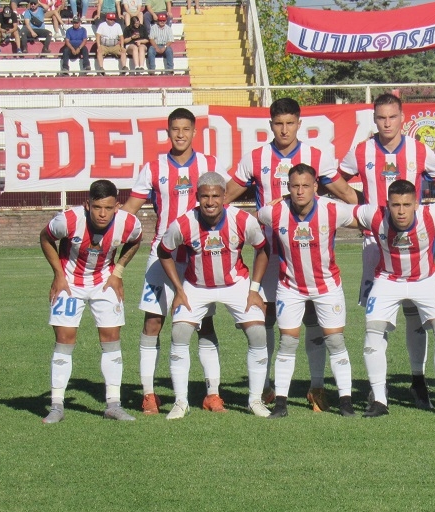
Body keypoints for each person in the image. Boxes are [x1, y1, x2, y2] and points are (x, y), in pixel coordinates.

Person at [225, 97, 358, 411]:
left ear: (299, 124)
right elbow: (224, 197)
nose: (284, 129)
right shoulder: (254, 158)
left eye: (290, 123)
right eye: (278, 123)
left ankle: (316, 387)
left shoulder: (316, 156)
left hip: (309, 253)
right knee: (267, 319)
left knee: (314, 319)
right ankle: (269, 385)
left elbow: (346, 194)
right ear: (270, 125)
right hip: (269, 254)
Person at [122, 108, 230, 416]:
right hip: (162, 253)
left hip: (198, 254)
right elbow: (131, 207)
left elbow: (226, 199)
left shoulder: (210, 165)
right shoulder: (154, 168)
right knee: (153, 321)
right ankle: (148, 394)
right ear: (168, 132)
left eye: (186, 129)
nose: (180, 134)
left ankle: (212, 393)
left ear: (195, 132)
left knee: (204, 322)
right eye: (174, 129)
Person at [339, 92, 435, 410]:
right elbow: (338, 181)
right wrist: (362, 208)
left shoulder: (420, 151)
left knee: (416, 315)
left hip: (416, 246)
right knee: (377, 319)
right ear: (375, 119)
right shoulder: (361, 151)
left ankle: (418, 380)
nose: (386, 123)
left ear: (402, 117)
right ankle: (376, 388)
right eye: (381, 117)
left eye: (392, 117)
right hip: (375, 243)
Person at [158, 172, 271, 419]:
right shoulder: (183, 223)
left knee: (257, 332)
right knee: (179, 332)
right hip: (196, 286)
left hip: (236, 283)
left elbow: (263, 249)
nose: (210, 202)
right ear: (197, 197)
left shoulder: (242, 220)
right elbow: (163, 251)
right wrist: (178, 289)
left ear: (224, 197)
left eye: (215, 196)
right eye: (205, 196)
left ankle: (255, 400)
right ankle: (180, 402)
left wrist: (254, 290)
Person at [355, 180, 435, 418]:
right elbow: (341, 211)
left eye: (406, 205)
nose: (401, 211)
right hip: (388, 280)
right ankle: (379, 400)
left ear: (416, 204)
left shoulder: (432, 214)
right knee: (373, 331)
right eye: (395, 205)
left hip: (425, 280)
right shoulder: (374, 215)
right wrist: (286, 201)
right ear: (387, 204)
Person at [256, 164, 357, 418]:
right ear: (288, 189)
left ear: (315, 187)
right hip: (290, 287)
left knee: (335, 340)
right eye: (294, 186)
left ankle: (345, 401)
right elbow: (260, 213)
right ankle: (281, 403)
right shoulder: (274, 212)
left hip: (327, 286)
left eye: (305, 186)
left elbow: (365, 219)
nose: (300, 191)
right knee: (287, 342)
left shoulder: (333, 211)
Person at [39, 179, 143, 424]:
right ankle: (56, 406)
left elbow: (137, 240)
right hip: (69, 283)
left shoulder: (129, 223)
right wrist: (58, 275)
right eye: (97, 207)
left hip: (104, 282)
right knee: (64, 340)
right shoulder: (68, 220)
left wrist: (118, 273)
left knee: (111, 340)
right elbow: (45, 238)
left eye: (108, 208)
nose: (103, 213)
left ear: (117, 206)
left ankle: (113, 405)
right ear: (87, 204)